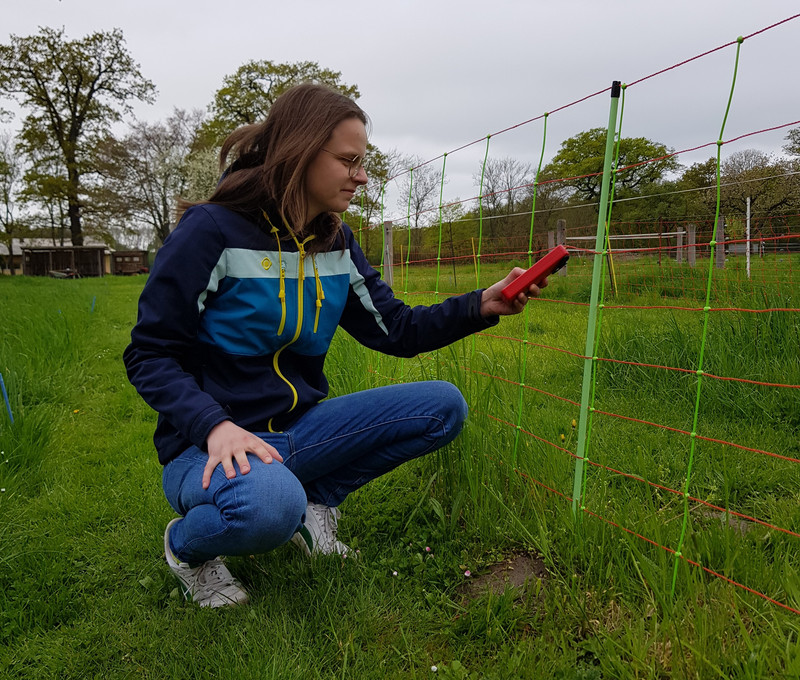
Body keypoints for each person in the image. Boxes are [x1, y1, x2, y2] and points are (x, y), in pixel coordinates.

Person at [123, 83, 545, 608]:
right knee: (268, 507)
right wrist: (215, 426)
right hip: (207, 446)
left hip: (298, 429)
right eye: (349, 160)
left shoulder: (336, 243)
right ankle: (187, 548)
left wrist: (481, 304)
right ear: (298, 152)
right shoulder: (210, 233)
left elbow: (397, 329)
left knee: (442, 407)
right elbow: (149, 353)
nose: (362, 175)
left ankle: (314, 505)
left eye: (362, 161)